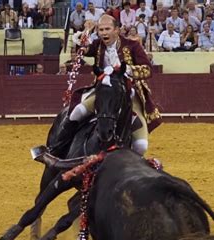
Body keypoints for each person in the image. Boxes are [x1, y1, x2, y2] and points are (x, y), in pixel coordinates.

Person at [53, 14, 161, 157]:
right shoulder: (98, 45)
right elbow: (82, 49)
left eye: (107, 29)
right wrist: (87, 31)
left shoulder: (133, 45)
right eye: (101, 29)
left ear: (117, 30)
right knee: (77, 112)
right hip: (103, 93)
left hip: (128, 95)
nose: (104, 33)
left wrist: (127, 70)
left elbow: (147, 69)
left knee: (141, 145)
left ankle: (132, 168)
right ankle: (57, 150)